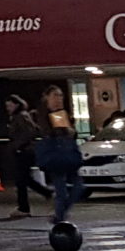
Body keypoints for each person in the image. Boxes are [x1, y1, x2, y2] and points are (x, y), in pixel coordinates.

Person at [35, 85, 86, 222]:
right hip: (56, 155)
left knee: (77, 187)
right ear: (47, 98)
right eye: (55, 95)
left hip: (67, 154)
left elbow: (69, 134)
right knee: (61, 189)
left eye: (60, 95)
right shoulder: (44, 115)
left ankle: (60, 214)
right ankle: (60, 216)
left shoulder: (62, 114)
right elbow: (56, 133)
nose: (58, 99)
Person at [4, 96, 41, 218]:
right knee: (23, 178)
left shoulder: (21, 116)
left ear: (16, 105)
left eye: (10, 106)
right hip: (24, 150)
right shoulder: (18, 117)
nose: (8, 108)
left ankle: (24, 208)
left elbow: (30, 132)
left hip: (25, 151)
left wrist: (18, 146)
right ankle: (44, 193)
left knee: (21, 180)